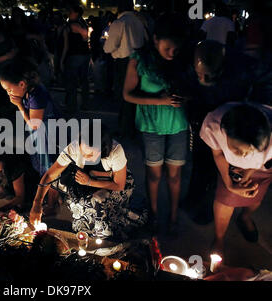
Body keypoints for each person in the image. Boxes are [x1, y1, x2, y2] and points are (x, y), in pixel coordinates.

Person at [123, 13, 189, 235]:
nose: (172, 53)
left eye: (176, 50)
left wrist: (187, 97)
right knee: (154, 174)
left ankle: (173, 216)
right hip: (150, 126)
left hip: (178, 125)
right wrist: (159, 100)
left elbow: (195, 89)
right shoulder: (139, 60)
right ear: (155, 40)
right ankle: (152, 215)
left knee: (175, 175)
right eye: (167, 48)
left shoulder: (182, 61)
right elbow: (128, 95)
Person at [181, 40, 259, 224]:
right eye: (200, 74)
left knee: (219, 168)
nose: (204, 80)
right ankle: (194, 202)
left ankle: (209, 208)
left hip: (227, 126)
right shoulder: (188, 68)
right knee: (199, 164)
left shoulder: (240, 72)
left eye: (210, 76)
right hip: (201, 123)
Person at [30, 122, 148, 241]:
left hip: (112, 184)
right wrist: (37, 203)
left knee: (94, 207)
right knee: (57, 181)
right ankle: (57, 206)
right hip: (85, 179)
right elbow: (50, 175)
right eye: (83, 152)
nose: (85, 156)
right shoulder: (73, 148)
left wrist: (90, 181)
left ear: (102, 148)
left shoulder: (115, 151)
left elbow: (119, 184)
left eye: (90, 154)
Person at [199, 103, 272, 256]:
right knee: (226, 200)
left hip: (263, 166)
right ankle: (219, 239)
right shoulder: (215, 125)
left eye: (251, 150)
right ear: (225, 133)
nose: (244, 155)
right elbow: (218, 154)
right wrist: (229, 184)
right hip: (231, 166)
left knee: (256, 197)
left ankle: (245, 217)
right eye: (238, 149)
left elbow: (268, 158)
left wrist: (249, 172)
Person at [103, 0, 148, 138]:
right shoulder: (139, 22)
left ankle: (125, 129)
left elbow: (108, 47)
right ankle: (133, 127)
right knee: (135, 95)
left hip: (124, 62)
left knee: (124, 96)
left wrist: (111, 51)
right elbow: (146, 39)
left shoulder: (120, 22)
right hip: (139, 60)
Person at [0, 143, 40, 213]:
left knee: (21, 205)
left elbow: (20, 197)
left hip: (29, 181)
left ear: (4, 160)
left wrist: (2, 209)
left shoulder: (16, 166)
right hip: (8, 175)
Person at [60, 5, 90, 112]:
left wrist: (62, 60)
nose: (68, 13)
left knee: (72, 82)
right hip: (84, 55)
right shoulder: (82, 23)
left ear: (76, 13)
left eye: (70, 11)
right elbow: (85, 37)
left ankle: (71, 105)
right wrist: (84, 38)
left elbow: (66, 45)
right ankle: (85, 104)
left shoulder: (71, 26)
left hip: (73, 56)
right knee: (84, 80)